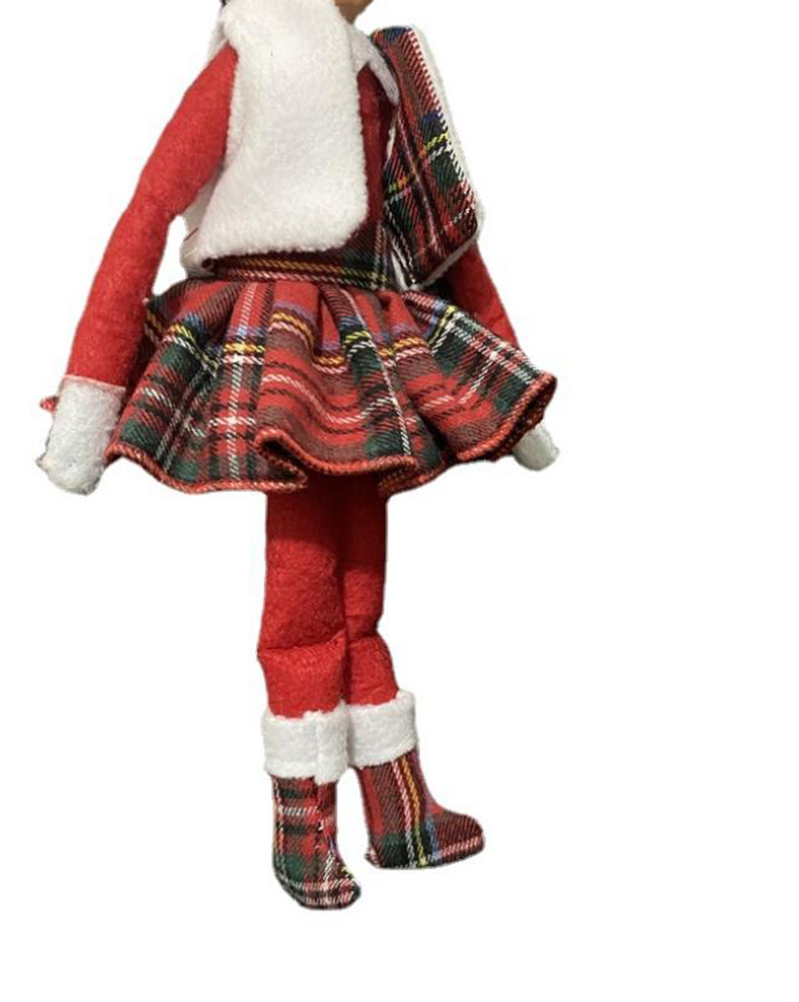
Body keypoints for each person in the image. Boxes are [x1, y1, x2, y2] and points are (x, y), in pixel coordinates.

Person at [39, 0, 558, 909]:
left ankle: (397, 809)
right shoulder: (254, 55)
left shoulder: (387, 72)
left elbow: (445, 246)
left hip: (363, 328)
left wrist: (507, 375)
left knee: (361, 587)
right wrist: (92, 387)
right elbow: (149, 210)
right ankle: (302, 820)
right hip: (278, 331)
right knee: (306, 584)